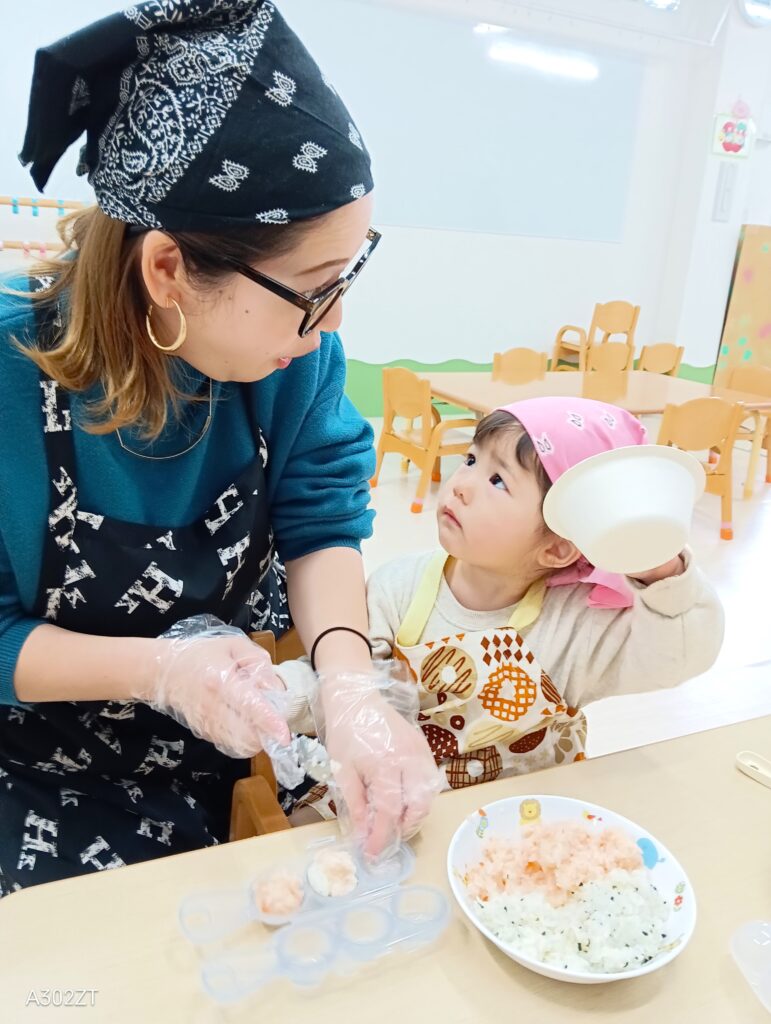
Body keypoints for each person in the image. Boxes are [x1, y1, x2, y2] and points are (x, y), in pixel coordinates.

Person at [0, 0, 436, 892]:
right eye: (315, 287)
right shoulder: (9, 374)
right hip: (22, 764)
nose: (333, 321)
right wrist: (157, 667)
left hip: (204, 760)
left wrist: (349, 685)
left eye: (348, 276)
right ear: (166, 269)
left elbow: (321, 523)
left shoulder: (291, 359)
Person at [278, 396, 724, 814]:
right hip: (395, 805)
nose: (462, 485)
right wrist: (273, 692)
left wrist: (658, 568)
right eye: (471, 460)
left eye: (497, 480)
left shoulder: (576, 625)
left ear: (557, 548)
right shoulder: (399, 587)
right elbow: (346, 679)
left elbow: (679, 656)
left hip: (520, 826)